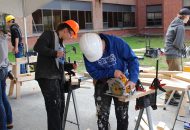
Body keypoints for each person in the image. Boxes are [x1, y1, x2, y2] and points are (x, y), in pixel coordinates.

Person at [79, 33, 139, 130]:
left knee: (122, 115)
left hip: (120, 80)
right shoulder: (88, 51)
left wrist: (133, 79)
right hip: (102, 82)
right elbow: (94, 73)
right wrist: (112, 72)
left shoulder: (117, 42)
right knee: (102, 116)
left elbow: (132, 59)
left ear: (101, 43)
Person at [33, 20, 79, 130]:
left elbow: (60, 63)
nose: (71, 37)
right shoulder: (49, 34)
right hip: (47, 76)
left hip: (57, 77)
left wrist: (70, 66)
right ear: (65, 30)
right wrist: (55, 53)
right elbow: (38, 47)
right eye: (71, 34)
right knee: (54, 108)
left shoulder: (61, 43)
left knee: (60, 107)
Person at [164, 8, 190, 106]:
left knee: (173, 74)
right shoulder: (180, 27)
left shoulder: (174, 23)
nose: (188, 19)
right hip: (173, 54)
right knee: (173, 76)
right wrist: (184, 49)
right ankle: (168, 98)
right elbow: (178, 43)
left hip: (170, 53)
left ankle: (174, 93)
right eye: (188, 17)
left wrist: (182, 47)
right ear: (186, 16)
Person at [0, 26, 13, 130]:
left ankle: (2, 127)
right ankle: (9, 122)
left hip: (1, 69)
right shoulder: (3, 38)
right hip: (4, 69)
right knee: (3, 97)